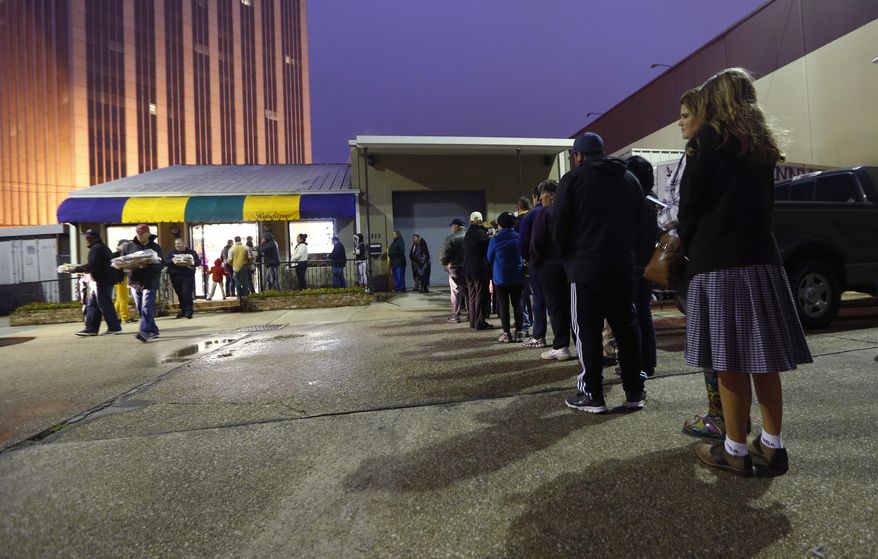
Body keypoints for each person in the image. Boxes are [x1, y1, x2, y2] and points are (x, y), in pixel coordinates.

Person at [679, 68, 812, 476]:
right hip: (764, 262)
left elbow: (689, 207)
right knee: (763, 359)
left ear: (716, 100)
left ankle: (734, 450)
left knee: (729, 360)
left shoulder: (708, 140)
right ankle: (772, 445)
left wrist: (687, 243)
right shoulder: (761, 146)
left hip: (720, 264)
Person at [553, 132, 645, 414]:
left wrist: (568, 260)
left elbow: (560, 227)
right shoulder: (629, 179)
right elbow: (642, 224)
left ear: (579, 156)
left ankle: (592, 393)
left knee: (587, 331)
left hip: (585, 270)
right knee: (627, 330)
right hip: (621, 269)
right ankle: (634, 391)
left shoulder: (573, 180)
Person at [670, 88, 732, 440]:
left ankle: (719, 417)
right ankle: (737, 423)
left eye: (684, 114)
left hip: (708, 262)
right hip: (746, 259)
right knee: (741, 350)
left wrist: (682, 235)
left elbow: (687, 208)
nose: (680, 121)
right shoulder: (744, 146)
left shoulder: (701, 148)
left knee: (714, 345)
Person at [530, 180, 574, 361]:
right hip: (571, 265)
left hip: (549, 266)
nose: (541, 197)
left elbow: (536, 243)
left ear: (553, 194)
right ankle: (581, 344)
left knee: (556, 306)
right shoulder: (572, 211)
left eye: (543, 193)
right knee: (574, 306)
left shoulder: (545, 214)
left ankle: (561, 346)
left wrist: (535, 261)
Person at [626, 155, 659, 378]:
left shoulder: (632, 198)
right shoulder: (654, 199)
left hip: (632, 263)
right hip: (650, 262)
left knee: (633, 315)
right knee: (645, 313)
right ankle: (649, 362)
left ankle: (637, 365)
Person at [72, 229, 122, 336]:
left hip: (102, 280)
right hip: (102, 280)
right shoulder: (101, 248)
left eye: (88, 238)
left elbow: (92, 265)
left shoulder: (96, 248)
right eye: (86, 238)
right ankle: (91, 328)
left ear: (94, 238)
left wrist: (76, 269)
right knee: (93, 304)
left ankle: (114, 327)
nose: (86, 240)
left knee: (104, 304)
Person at [487, 212, 524, 342]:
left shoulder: (495, 240)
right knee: (517, 303)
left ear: (500, 224)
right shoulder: (519, 237)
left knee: (503, 304)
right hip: (517, 276)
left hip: (500, 277)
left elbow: (489, 258)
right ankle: (519, 332)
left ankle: (506, 334)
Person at [518, 186, 548, 348]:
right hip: (558, 264)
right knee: (558, 303)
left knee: (539, 300)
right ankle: (562, 342)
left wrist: (528, 258)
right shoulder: (558, 211)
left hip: (537, 263)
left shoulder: (531, 215)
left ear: (536, 196)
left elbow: (522, 242)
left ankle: (539, 336)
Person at [124, 224, 164, 342]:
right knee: (141, 308)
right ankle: (153, 330)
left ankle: (145, 332)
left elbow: (162, 263)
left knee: (146, 306)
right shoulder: (129, 247)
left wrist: (148, 265)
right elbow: (122, 260)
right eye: (138, 233)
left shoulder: (155, 247)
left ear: (148, 233)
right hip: (135, 281)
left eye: (142, 233)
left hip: (150, 280)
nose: (140, 235)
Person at [463, 211, 493, 330]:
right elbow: (488, 249)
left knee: (472, 295)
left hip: (468, 268)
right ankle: (480, 322)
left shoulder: (468, 233)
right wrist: (489, 232)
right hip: (479, 267)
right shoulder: (481, 233)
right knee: (480, 295)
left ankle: (473, 321)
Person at [439, 218, 467, 323]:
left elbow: (443, 255)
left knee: (455, 292)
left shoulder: (451, 238)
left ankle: (455, 316)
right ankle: (470, 314)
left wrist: (445, 264)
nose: (451, 228)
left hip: (455, 267)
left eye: (452, 226)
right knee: (468, 291)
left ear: (456, 226)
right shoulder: (469, 236)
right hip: (468, 267)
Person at [165, 238, 201, 319]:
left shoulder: (191, 252)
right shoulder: (171, 253)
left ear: (184, 244)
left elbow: (198, 262)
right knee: (180, 294)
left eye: (179, 243)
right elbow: (166, 262)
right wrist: (173, 260)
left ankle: (189, 311)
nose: (177, 245)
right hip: (175, 276)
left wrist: (190, 262)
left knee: (186, 293)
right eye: (176, 244)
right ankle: (183, 310)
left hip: (187, 276)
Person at [112, 239, 135, 323]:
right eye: (125, 245)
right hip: (120, 279)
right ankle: (125, 317)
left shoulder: (117, 254)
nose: (127, 247)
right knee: (123, 299)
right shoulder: (118, 255)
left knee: (119, 298)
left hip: (119, 278)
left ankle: (112, 316)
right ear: (120, 246)